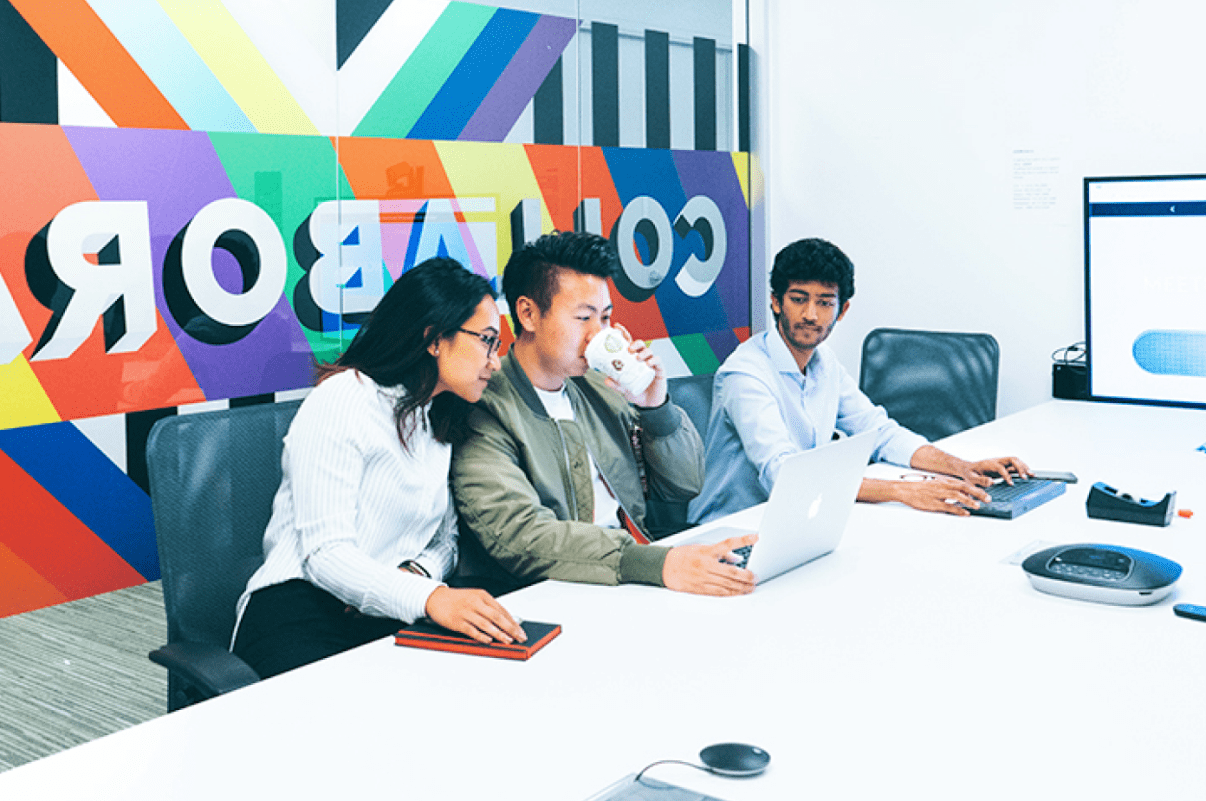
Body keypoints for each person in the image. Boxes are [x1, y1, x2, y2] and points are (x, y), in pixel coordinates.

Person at [232, 257, 525, 679]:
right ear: (434, 338)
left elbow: (445, 538)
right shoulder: (345, 398)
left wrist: (417, 575)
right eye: (486, 341)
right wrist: (429, 597)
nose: (494, 362)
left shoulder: (437, 417)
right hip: (300, 607)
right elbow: (325, 555)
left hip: (385, 607)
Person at [451, 231, 756, 596]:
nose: (598, 335)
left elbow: (685, 485)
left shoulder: (601, 388)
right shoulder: (485, 406)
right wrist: (657, 564)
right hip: (563, 593)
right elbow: (522, 537)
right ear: (528, 314)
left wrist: (655, 407)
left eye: (606, 318)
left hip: (636, 575)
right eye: (583, 318)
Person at [689, 237, 1031, 525]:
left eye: (824, 303)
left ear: (843, 310)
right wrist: (903, 492)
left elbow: (878, 432)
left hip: (797, 519)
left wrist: (961, 467)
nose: (811, 314)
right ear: (776, 302)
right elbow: (784, 474)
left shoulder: (825, 365)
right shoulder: (746, 374)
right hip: (731, 527)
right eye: (798, 299)